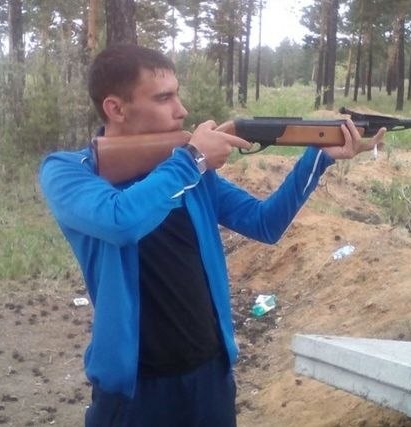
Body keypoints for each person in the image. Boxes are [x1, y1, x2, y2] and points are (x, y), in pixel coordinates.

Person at [39, 44, 385, 427]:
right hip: (133, 394)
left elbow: (264, 223)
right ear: (116, 109)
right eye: (164, 98)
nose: (181, 109)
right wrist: (193, 159)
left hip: (210, 380)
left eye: (177, 94)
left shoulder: (187, 170)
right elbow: (121, 221)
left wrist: (319, 158)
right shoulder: (70, 171)